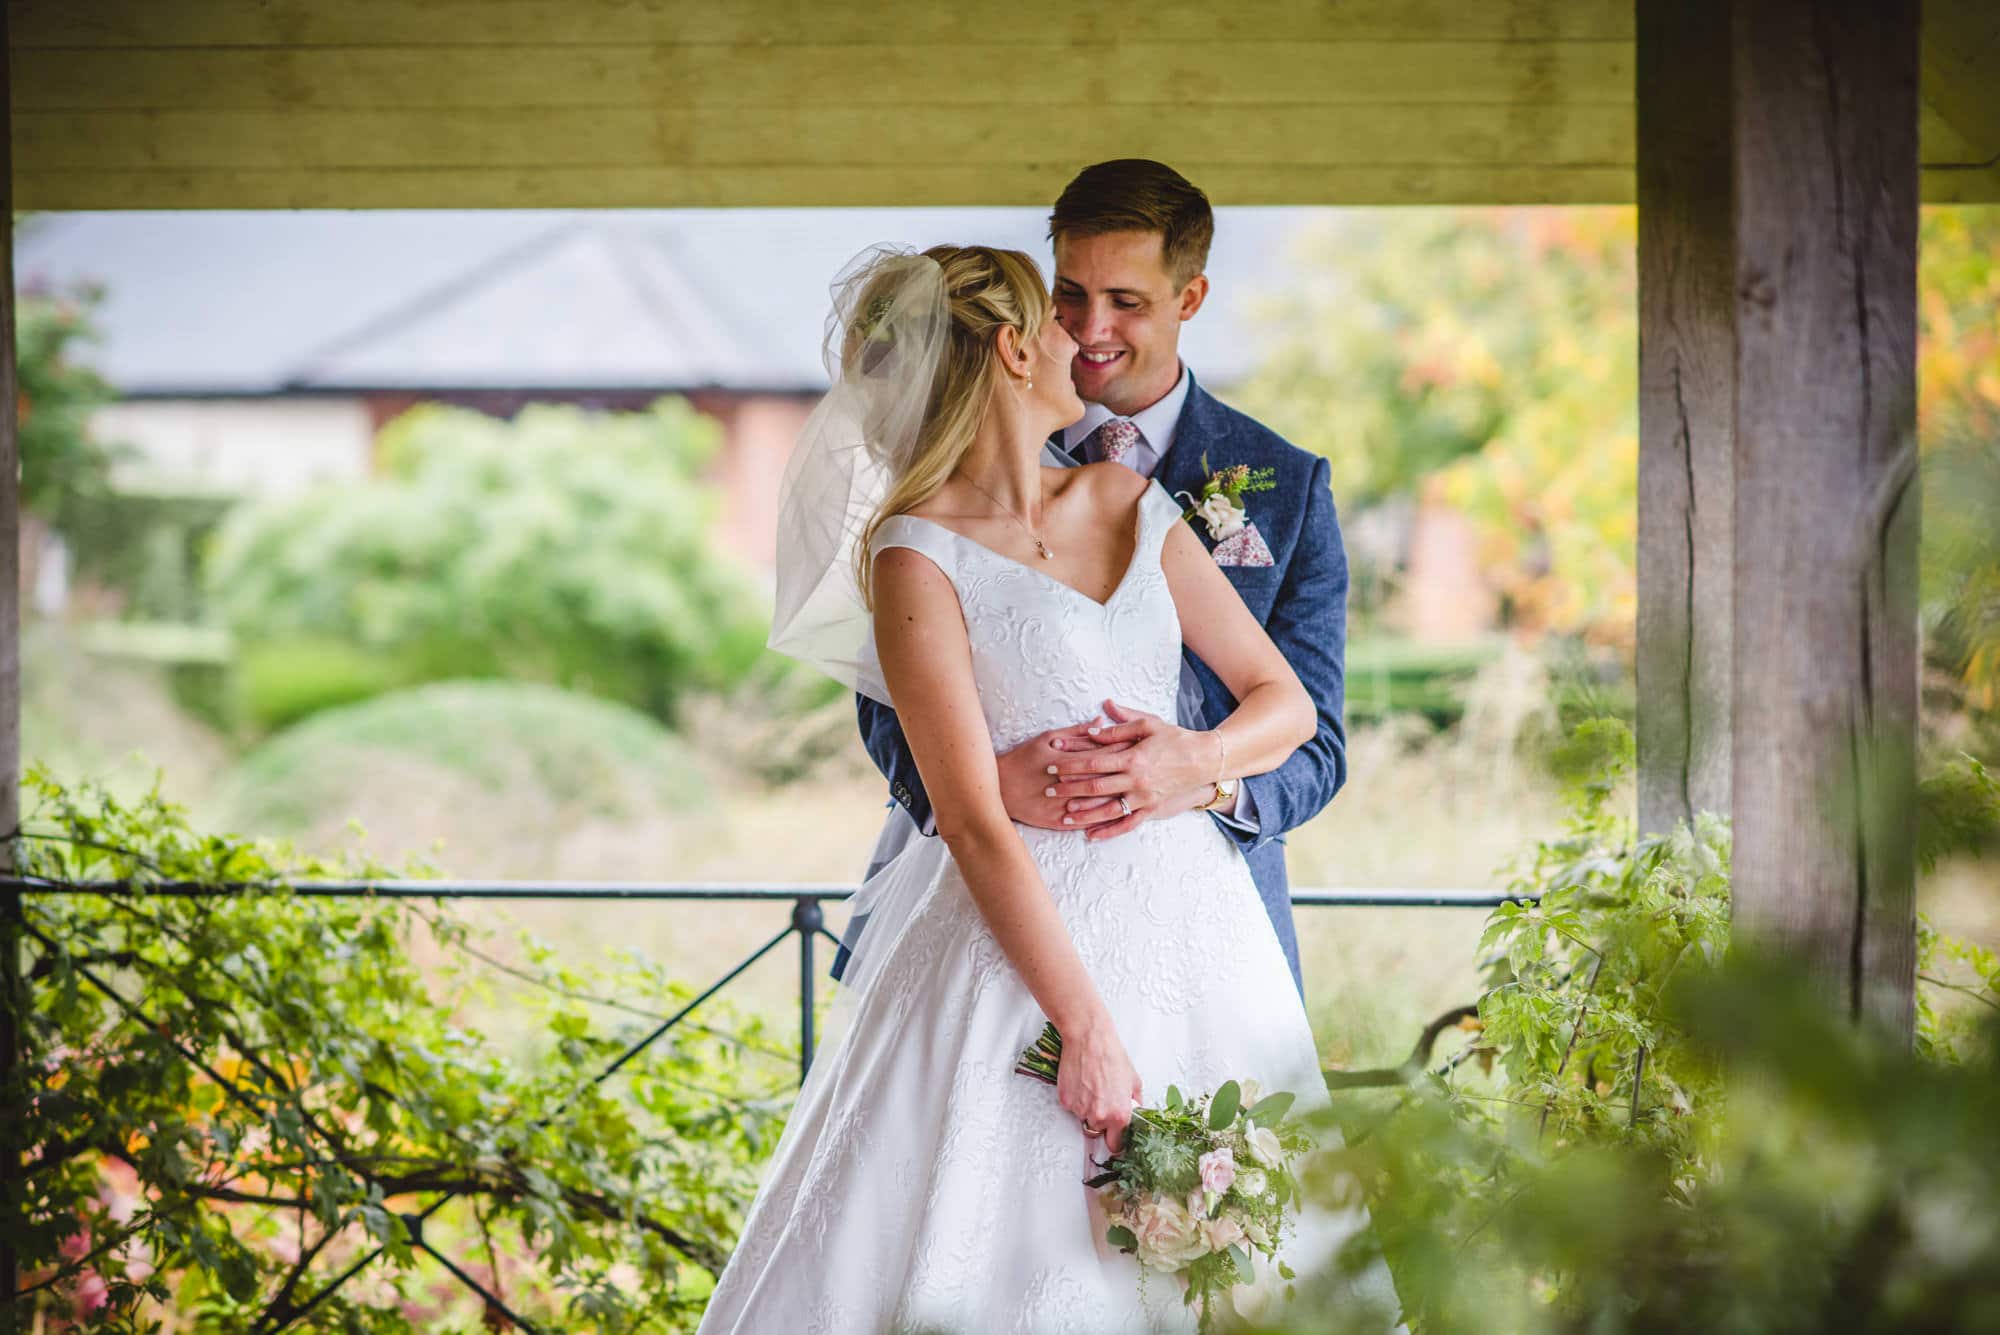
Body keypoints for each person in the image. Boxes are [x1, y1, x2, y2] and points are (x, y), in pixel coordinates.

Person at [700, 239, 1398, 1333]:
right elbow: (971, 822)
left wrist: (1192, 760)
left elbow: (1284, 702)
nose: (1087, 336)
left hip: (1195, 931)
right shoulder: (912, 556)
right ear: (1016, 347)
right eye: (1063, 315)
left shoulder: (1128, 497)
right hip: (1011, 956)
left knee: (1245, 1261)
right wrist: (1085, 1027)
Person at [846, 160, 1351, 996]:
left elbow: (1317, 734)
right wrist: (979, 789)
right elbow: (883, 690)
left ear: (1189, 299)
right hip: (983, 898)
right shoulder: (959, 454)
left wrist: (1200, 771)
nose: (1085, 330)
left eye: (1126, 302)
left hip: (1201, 913)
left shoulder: (1284, 484)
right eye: (1069, 296)